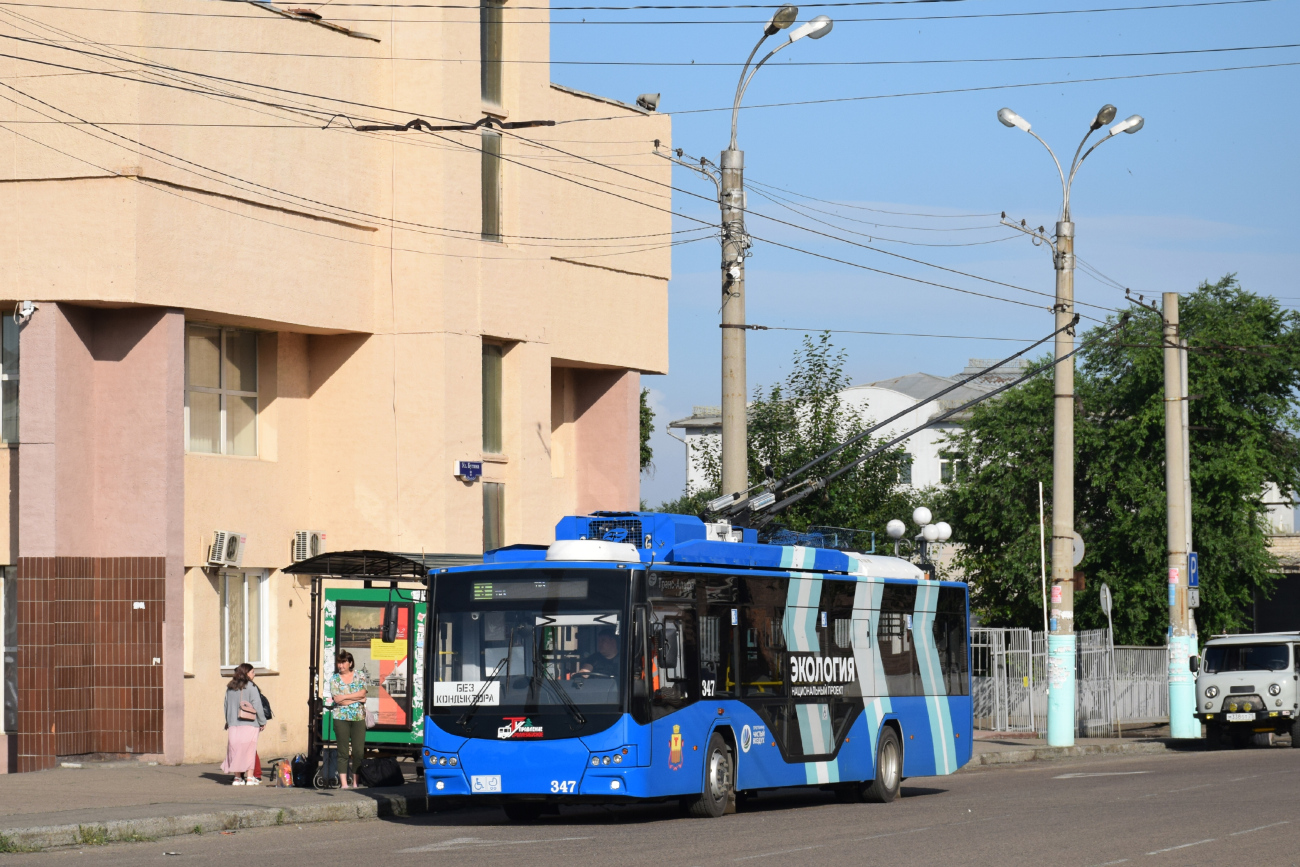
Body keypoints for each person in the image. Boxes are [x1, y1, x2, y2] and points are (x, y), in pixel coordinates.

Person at [222, 662, 266, 786]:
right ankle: (250, 778)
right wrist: (262, 721)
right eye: (252, 672)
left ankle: (237, 778)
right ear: (246, 673)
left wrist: (228, 720)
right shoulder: (251, 687)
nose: (254, 674)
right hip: (250, 723)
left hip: (233, 724)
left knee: (235, 750)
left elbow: (226, 706)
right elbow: (257, 705)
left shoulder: (230, 687)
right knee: (249, 751)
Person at [329, 650, 368, 789]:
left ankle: (356, 782)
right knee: (343, 751)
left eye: (343, 662)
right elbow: (337, 700)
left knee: (358, 751)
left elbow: (363, 693)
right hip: (341, 717)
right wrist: (357, 698)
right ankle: (344, 784)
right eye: (339, 663)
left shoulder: (360, 675)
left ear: (350, 663)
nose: (341, 665)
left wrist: (345, 697)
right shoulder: (334, 679)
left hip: (358, 717)